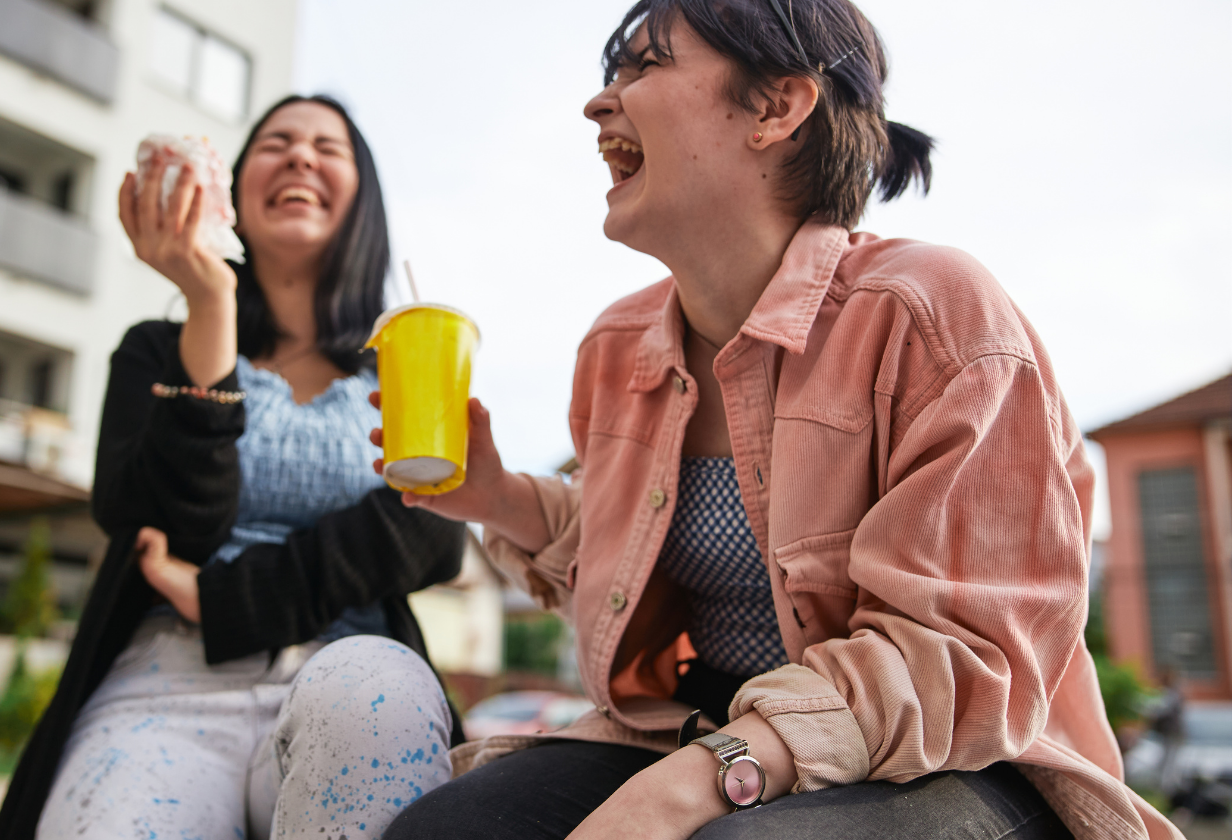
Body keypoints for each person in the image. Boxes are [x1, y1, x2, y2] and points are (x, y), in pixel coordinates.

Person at [381, 1, 1178, 838]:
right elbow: (636, 550)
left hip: (964, 755)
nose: (600, 102)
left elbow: (961, 655)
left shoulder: (932, 315)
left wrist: (689, 787)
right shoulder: (616, 350)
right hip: (710, 721)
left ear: (775, 107)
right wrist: (497, 495)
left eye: (644, 66)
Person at [0, 95, 467, 840]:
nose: (300, 156)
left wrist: (227, 599)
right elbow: (161, 517)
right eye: (276, 142)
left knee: (381, 694)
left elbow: (432, 536)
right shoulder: (157, 349)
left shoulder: (407, 356)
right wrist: (209, 304)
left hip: (355, 674)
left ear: (363, 198)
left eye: (326, 147)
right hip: (163, 687)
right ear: (237, 190)